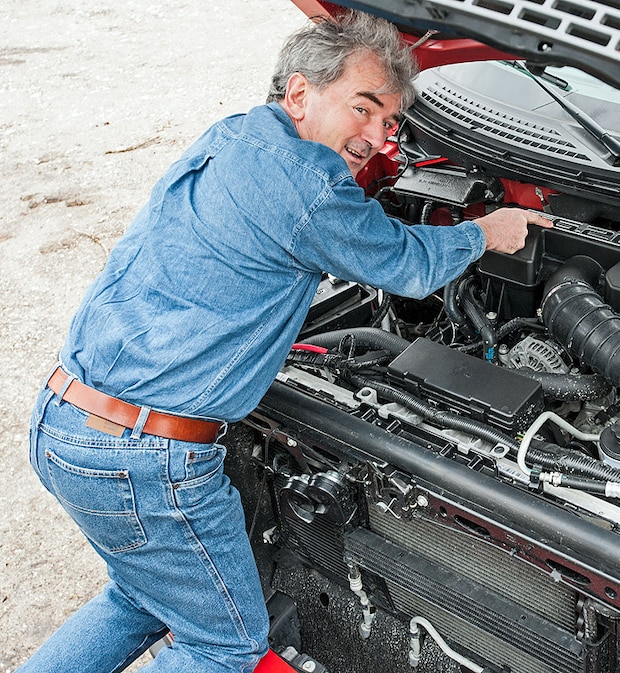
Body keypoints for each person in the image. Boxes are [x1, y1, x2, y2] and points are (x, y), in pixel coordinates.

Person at [20, 10, 550, 673]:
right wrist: (484, 232)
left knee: (142, 596)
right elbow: (406, 266)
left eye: (389, 121)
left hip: (67, 421)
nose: (379, 136)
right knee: (222, 648)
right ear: (298, 93)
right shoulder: (308, 181)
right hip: (146, 458)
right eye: (363, 108)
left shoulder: (233, 137)